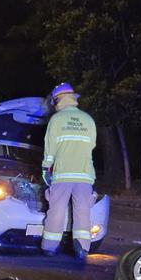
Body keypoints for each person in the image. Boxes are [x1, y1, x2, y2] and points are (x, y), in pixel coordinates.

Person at [40, 82, 97, 261]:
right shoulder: (88, 119)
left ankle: (49, 247)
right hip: (85, 174)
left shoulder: (56, 120)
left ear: (57, 100)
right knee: (82, 212)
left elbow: (50, 149)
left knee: (56, 210)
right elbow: (91, 146)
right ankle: (82, 249)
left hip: (63, 174)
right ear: (73, 98)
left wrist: (45, 169)